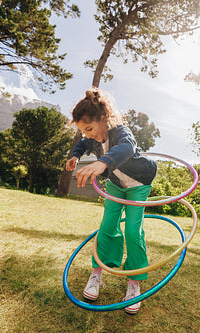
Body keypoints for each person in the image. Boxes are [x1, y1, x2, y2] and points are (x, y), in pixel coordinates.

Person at [65, 87, 157, 314]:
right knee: (107, 226)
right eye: (83, 131)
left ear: (103, 119)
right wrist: (75, 155)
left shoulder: (121, 132)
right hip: (115, 185)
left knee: (133, 232)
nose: (87, 134)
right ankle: (97, 273)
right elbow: (83, 143)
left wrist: (103, 162)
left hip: (138, 185)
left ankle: (134, 283)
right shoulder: (92, 139)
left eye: (89, 128)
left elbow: (128, 148)